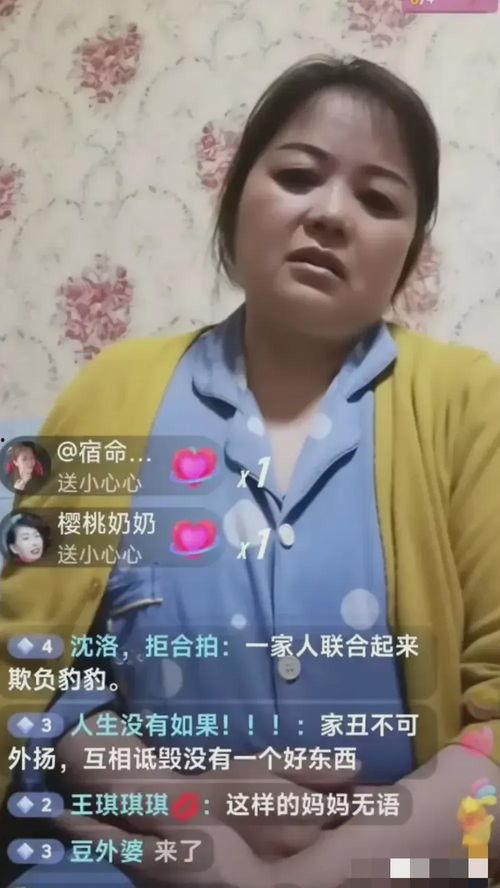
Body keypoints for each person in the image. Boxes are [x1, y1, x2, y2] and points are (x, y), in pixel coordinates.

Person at [1, 52, 500, 888]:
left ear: (409, 256)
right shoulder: (108, 393)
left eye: (379, 200)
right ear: (235, 201)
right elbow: (37, 673)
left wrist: (305, 879)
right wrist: (191, 818)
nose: (331, 214)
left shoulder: (470, 404)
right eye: (299, 176)